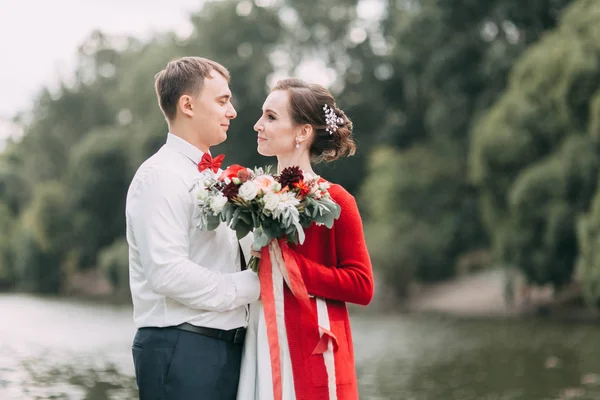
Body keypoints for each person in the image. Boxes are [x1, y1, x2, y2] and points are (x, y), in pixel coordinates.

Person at [126, 56, 260, 400]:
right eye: (222, 101)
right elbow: (166, 273)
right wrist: (253, 286)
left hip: (225, 349)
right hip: (183, 347)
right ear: (187, 104)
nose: (232, 112)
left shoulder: (214, 176)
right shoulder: (160, 176)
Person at [237, 78, 374, 400]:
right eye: (262, 115)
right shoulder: (245, 194)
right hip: (256, 337)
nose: (258, 125)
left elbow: (362, 285)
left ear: (302, 132)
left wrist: (291, 266)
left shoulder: (336, 200)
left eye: (271, 117)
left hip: (311, 340)